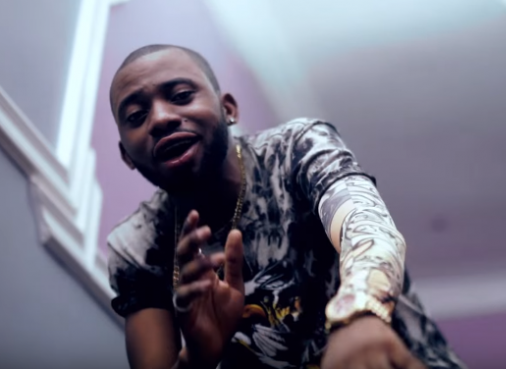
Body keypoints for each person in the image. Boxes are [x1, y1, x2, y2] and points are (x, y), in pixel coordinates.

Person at [107, 44, 466, 369]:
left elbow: (366, 226)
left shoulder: (297, 149)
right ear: (127, 156)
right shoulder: (137, 246)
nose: (160, 119)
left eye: (182, 96)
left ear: (228, 109)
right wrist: (197, 358)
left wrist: (359, 312)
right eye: (136, 116)